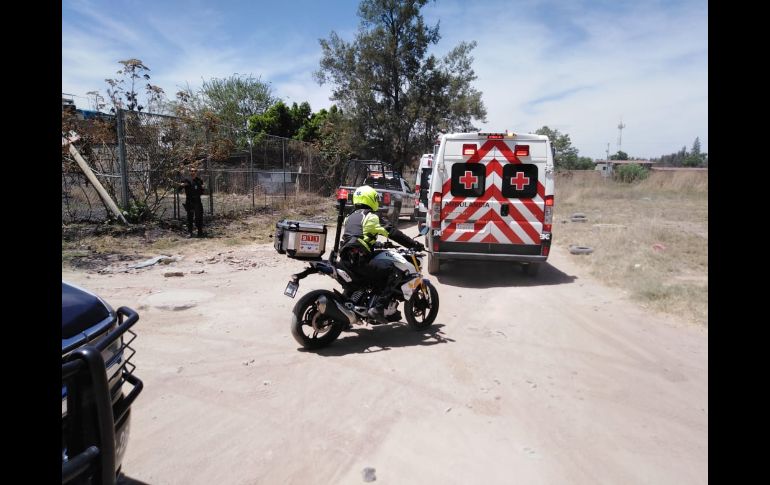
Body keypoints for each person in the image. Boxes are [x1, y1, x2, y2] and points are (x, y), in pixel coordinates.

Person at [338, 185, 424, 324]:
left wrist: (377, 244)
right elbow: (393, 233)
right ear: (371, 199)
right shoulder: (371, 217)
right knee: (394, 272)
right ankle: (378, 309)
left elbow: (359, 236)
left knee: (359, 282)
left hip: (345, 259)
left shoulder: (350, 217)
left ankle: (344, 316)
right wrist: (413, 244)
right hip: (360, 261)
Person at [178, 167, 206, 238]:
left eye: (194, 171)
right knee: (189, 218)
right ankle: (190, 233)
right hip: (189, 201)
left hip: (197, 201)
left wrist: (203, 188)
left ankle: (200, 232)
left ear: (196, 172)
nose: (193, 172)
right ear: (190, 172)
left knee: (199, 217)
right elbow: (178, 189)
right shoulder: (186, 180)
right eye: (191, 171)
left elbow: (202, 192)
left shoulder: (199, 180)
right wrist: (181, 186)